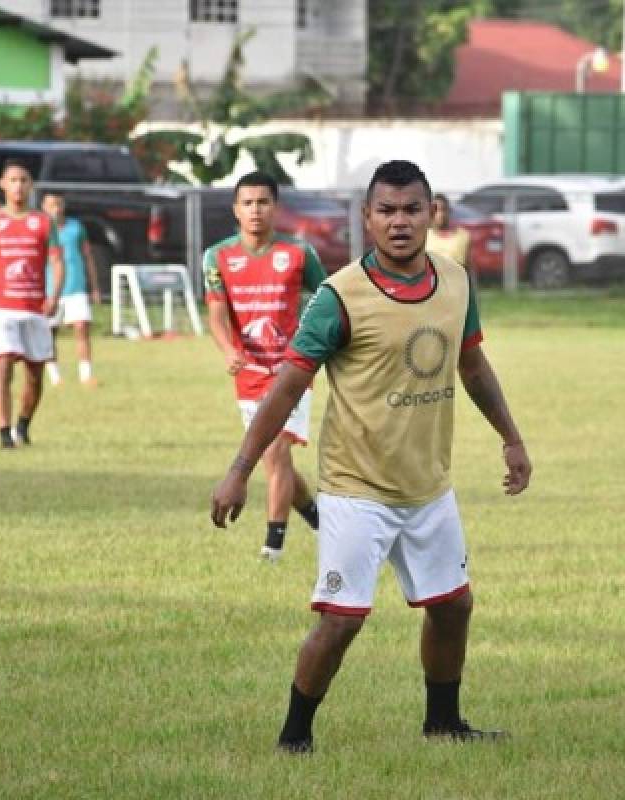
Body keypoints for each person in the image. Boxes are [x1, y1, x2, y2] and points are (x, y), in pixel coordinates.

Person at [211, 160, 532, 753]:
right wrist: (239, 470)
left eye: (412, 209)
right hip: (356, 488)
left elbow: (474, 365)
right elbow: (287, 385)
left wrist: (511, 438)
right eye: (387, 210)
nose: (400, 221)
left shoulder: (457, 279)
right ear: (368, 218)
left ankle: (443, 723)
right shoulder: (340, 296)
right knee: (342, 619)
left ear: (430, 213)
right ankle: (293, 738)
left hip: (428, 487)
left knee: (453, 606)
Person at [204, 171, 326, 562]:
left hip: (292, 372)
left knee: (276, 451)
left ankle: (272, 548)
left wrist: (316, 344)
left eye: (263, 202)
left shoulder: (299, 253)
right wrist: (227, 350)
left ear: (276, 207)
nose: (255, 210)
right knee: (278, 460)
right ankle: (319, 518)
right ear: (236, 210)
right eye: (247, 203)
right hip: (250, 375)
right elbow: (217, 316)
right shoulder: (218, 257)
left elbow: (327, 301)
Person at [0, 160, 63, 449]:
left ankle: (23, 424)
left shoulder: (43, 222)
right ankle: (4, 434)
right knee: (2, 367)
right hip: (2, 309)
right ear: (2, 185)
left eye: (24, 180)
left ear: (30, 186)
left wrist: (54, 296)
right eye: (13, 180)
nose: (18, 186)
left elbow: (57, 261)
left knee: (34, 376)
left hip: (35, 310)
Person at [40, 193, 102, 388]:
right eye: (51, 205)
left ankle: (86, 375)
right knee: (49, 334)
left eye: (58, 204)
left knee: (82, 328)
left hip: (76, 287)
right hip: (50, 290)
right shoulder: (40, 230)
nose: (55, 208)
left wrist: (94, 287)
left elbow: (87, 256)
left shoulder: (76, 227)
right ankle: (55, 377)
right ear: (43, 207)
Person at [425, 192, 471, 268]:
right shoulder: (423, 236)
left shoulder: (463, 236)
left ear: (449, 211)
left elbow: (469, 266)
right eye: (436, 210)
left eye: (443, 209)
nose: (440, 214)